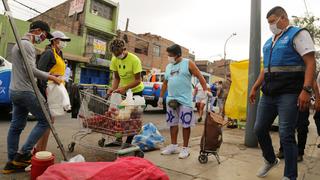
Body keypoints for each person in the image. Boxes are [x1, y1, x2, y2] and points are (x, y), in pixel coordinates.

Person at [249, 6, 316, 180]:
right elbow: (266, 69)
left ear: (283, 18)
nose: (271, 25)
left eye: (273, 21)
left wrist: (306, 90)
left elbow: (310, 63)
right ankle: (270, 160)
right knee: (259, 129)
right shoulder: (269, 42)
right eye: (269, 23)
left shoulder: (297, 34)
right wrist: (255, 87)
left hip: (290, 92)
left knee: (286, 134)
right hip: (269, 93)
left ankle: (290, 176)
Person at [2, 21, 62, 174]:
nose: (44, 38)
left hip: (14, 91)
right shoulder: (28, 45)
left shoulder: (18, 44)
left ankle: (12, 162)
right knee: (46, 119)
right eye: (45, 35)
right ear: (38, 31)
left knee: (16, 126)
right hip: (25, 91)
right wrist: (51, 77)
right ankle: (23, 154)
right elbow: (32, 71)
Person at [158, 44, 211, 159]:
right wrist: (161, 97)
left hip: (185, 100)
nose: (169, 57)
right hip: (171, 99)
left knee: (186, 124)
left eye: (170, 55)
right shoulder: (168, 67)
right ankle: (173, 146)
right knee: (172, 123)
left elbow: (200, 76)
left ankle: (185, 148)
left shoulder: (188, 63)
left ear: (178, 55)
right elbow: (165, 83)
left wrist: (206, 90)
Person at [35, 31, 71, 152]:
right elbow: (40, 73)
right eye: (63, 40)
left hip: (56, 90)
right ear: (55, 40)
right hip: (47, 90)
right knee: (46, 122)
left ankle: (41, 150)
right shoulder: (48, 53)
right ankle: (37, 151)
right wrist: (43, 91)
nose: (64, 43)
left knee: (50, 122)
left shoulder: (60, 54)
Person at [107, 39, 144, 148]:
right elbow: (117, 77)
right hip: (122, 91)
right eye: (114, 54)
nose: (117, 56)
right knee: (120, 116)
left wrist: (125, 88)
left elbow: (138, 80)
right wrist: (113, 89)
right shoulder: (114, 59)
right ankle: (118, 139)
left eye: (118, 53)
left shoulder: (134, 60)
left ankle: (128, 142)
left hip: (136, 91)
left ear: (124, 49)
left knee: (133, 118)